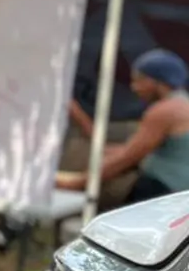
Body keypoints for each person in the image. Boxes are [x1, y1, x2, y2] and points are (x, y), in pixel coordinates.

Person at [57, 49, 189, 203]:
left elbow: (126, 159)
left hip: (162, 192)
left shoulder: (164, 111)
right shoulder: (182, 104)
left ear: (156, 81)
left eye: (139, 81)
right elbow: (132, 150)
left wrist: (76, 183)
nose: (134, 87)